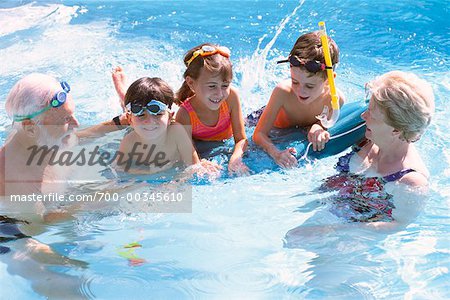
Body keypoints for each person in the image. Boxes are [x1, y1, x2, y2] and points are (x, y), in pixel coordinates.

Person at [286, 71, 435, 237]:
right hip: (329, 208)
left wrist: (330, 231)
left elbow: (398, 225)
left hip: (353, 237)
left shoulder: (411, 181)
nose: (364, 116)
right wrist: (317, 127)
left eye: (372, 114)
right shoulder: (366, 138)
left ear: (396, 130)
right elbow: (326, 121)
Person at [252, 31, 345, 168]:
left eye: (310, 86)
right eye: (295, 82)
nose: (300, 91)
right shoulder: (282, 92)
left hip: (295, 130)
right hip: (264, 121)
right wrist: (275, 153)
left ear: (328, 81)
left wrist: (317, 126)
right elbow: (258, 134)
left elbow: (323, 123)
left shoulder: (335, 100)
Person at [174, 43, 249, 176]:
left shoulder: (231, 97)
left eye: (225, 85)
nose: (219, 94)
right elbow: (189, 153)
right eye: (212, 86)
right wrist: (200, 163)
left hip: (228, 138)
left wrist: (236, 158)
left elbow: (241, 139)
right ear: (191, 83)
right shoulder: (184, 114)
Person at [1, 73, 79, 196]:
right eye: (66, 119)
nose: (77, 124)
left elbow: (74, 138)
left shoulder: (32, 136)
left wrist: (116, 123)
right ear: (30, 128)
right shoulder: (19, 185)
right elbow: (52, 215)